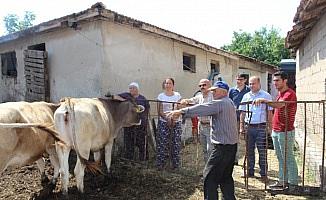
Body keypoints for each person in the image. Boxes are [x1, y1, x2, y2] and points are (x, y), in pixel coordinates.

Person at [167, 81, 238, 200]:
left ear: (223, 91)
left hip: (222, 147)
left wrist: (181, 111)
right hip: (231, 146)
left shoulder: (221, 102)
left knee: (209, 177)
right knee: (225, 177)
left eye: (215, 90)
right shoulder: (229, 102)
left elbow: (203, 108)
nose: (213, 93)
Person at [253, 71, 299, 190]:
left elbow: (279, 105)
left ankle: (293, 183)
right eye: (273, 81)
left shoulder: (289, 94)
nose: (275, 83)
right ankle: (282, 181)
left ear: (285, 81)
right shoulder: (280, 94)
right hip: (277, 130)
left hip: (285, 130)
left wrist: (264, 100)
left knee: (288, 157)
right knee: (280, 157)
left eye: (277, 80)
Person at [238, 76, 273, 180]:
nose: (251, 86)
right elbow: (242, 113)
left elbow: (269, 112)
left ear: (259, 83)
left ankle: (263, 174)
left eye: (253, 83)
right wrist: (241, 127)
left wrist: (269, 127)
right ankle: (250, 172)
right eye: (250, 84)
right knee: (249, 151)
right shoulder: (246, 96)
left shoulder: (266, 95)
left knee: (262, 151)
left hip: (261, 127)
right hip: (248, 127)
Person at [180, 79, 214, 163]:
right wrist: (185, 100)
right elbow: (191, 100)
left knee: (210, 149)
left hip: (211, 126)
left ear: (209, 86)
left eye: (204, 85)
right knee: (204, 149)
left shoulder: (213, 96)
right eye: (200, 86)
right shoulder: (199, 96)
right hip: (201, 126)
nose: (202, 87)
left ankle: (212, 171)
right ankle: (207, 169)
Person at [119, 82, 150, 161]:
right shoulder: (127, 96)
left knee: (142, 144)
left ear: (137, 89)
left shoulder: (143, 99)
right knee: (129, 144)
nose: (131, 89)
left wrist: (145, 122)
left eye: (133, 88)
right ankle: (129, 161)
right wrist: (123, 100)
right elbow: (116, 96)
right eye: (130, 88)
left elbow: (147, 110)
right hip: (129, 125)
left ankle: (143, 161)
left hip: (140, 125)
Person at [156, 78, 182, 170]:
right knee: (162, 143)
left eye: (169, 83)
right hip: (164, 121)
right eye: (166, 83)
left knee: (176, 144)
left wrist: (174, 118)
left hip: (176, 121)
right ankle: (161, 165)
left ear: (173, 85)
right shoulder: (160, 96)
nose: (168, 85)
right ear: (164, 85)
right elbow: (159, 111)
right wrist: (167, 118)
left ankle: (175, 165)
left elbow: (179, 109)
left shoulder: (177, 95)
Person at [229, 73, 250, 165]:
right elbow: (229, 101)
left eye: (240, 79)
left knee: (247, 140)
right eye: (237, 79)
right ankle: (235, 158)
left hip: (247, 118)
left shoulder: (249, 90)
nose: (238, 81)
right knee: (234, 139)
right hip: (234, 118)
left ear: (245, 80)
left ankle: (249, 160)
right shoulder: (232, 90)